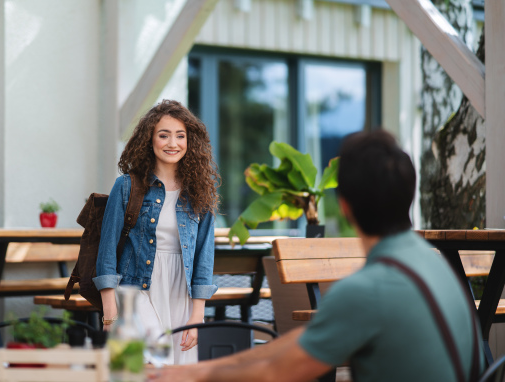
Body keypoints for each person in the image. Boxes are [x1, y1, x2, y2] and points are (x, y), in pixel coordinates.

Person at [149, 130, 483, 381]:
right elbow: (304, 341)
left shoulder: (369, 290)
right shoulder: (434, 264)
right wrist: (198, 369)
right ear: (408, 194)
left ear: (345, 206)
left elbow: (276, 373)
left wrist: (193, 375)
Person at [93, 99, 220, 365]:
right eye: (164, 135)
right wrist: (110, 313)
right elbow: (106, 251)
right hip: (134, 289)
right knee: (149, 363)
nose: (172, 143)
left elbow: (204, 256)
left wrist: (198, 314)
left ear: (190, 141)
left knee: (178, 370)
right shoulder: (127, 186)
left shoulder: (200, 190)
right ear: (149, 140)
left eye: (180, 136)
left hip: (180, 290)